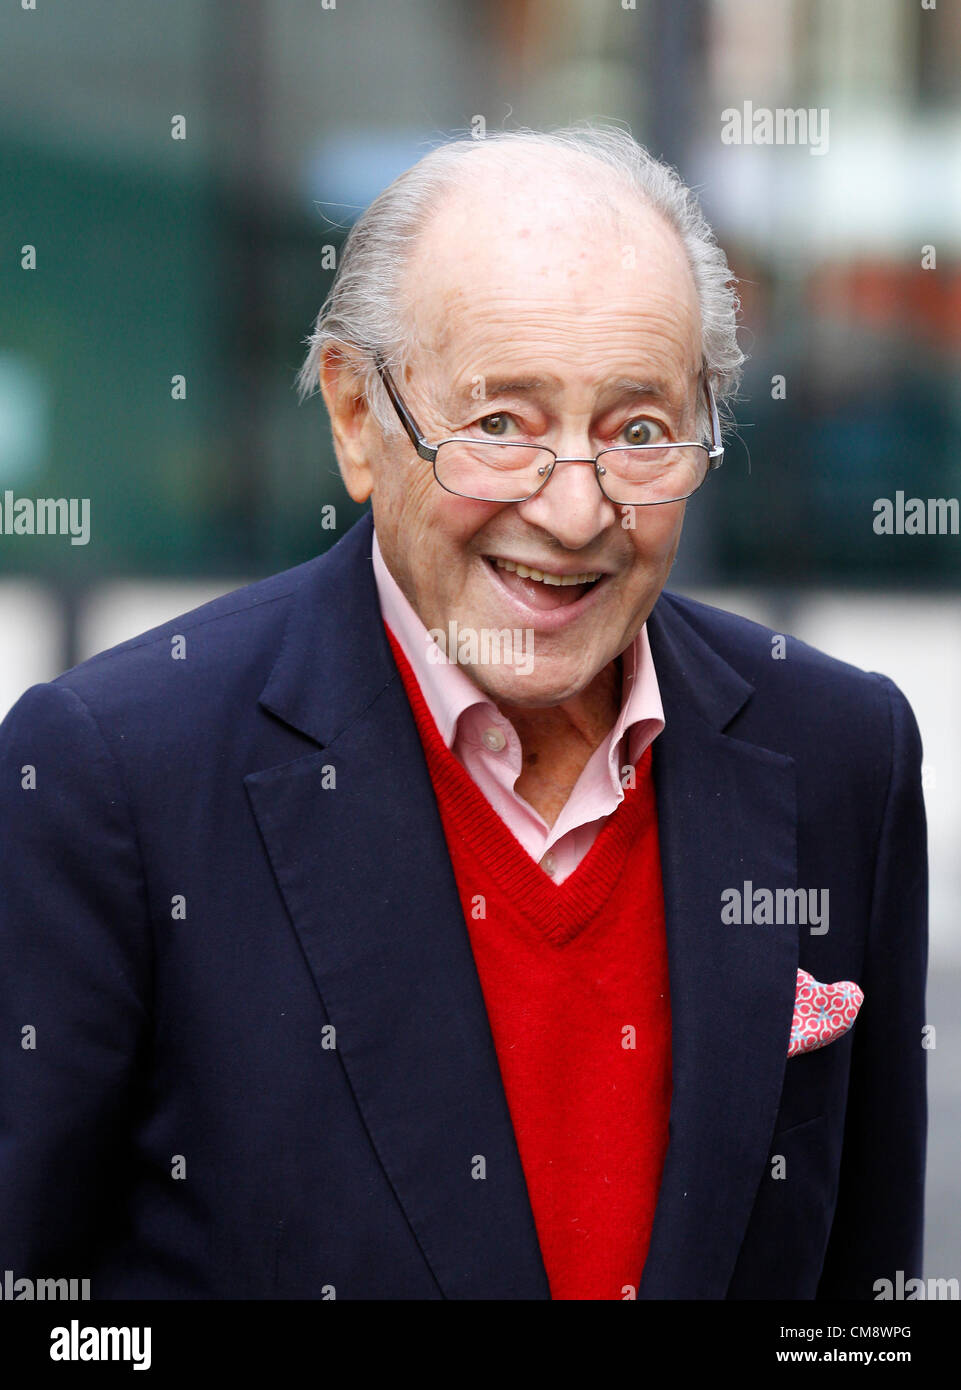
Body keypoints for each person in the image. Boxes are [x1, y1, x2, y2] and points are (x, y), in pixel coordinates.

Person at [0, 124, 926, 1300]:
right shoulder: (112, 774)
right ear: (354, 417)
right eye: (502, 425)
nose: (577, 509)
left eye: (638, 431)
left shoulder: (839, 749)